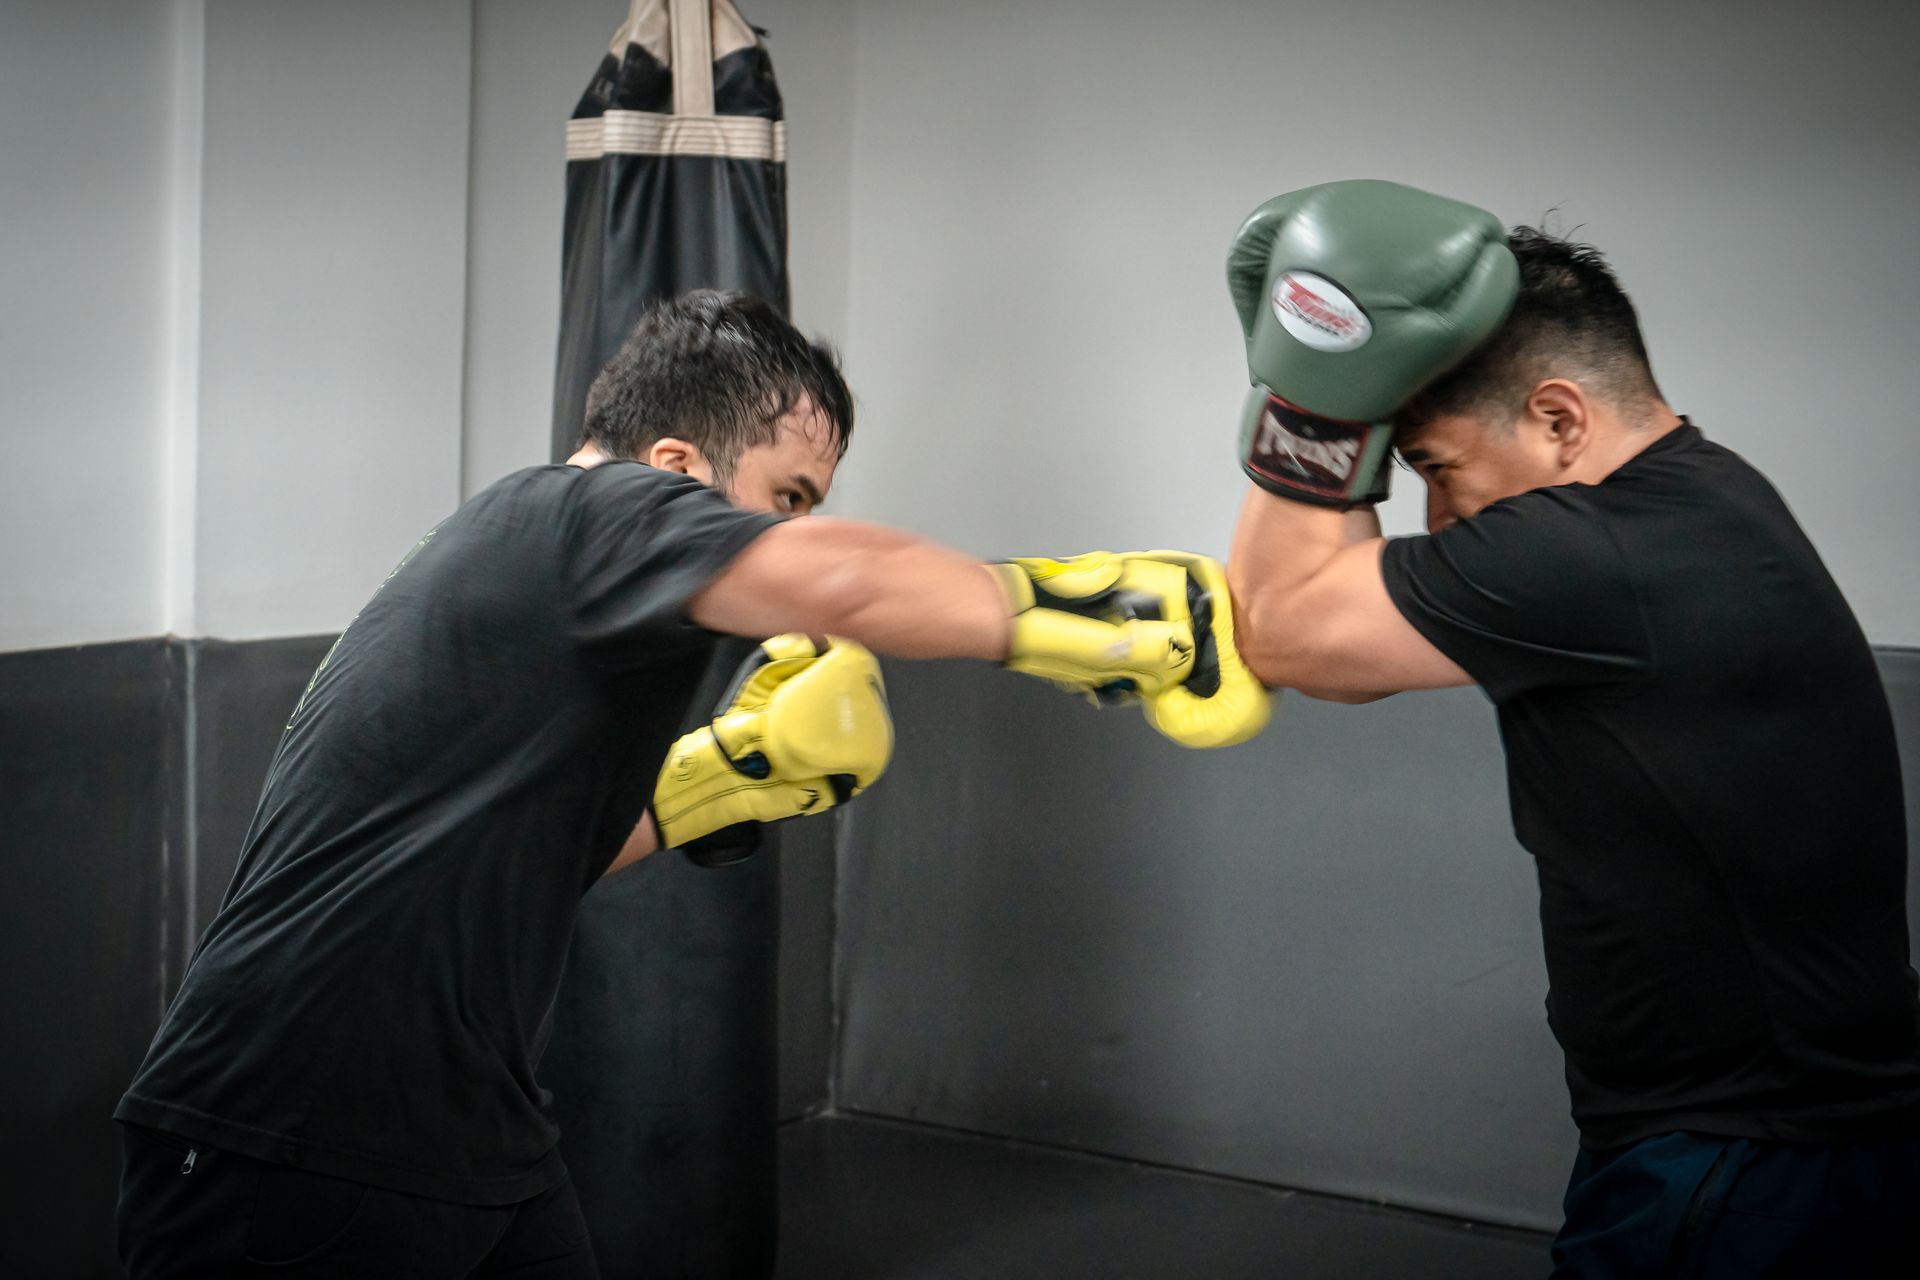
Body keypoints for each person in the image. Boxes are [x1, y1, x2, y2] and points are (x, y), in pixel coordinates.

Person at [112, 290, 1264, 1277]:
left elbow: (551, 853)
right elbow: (853, 582)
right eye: (789, 495)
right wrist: (1082, 617)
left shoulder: (551, 583)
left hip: (464, 1131)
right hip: (283, 1128)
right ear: (672, 467)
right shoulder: (576, 511)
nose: (797, 528)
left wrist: (731, 776)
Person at [1221, 180, 1920, 1277]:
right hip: (1777, 1139)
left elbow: (1282, 630)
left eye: (1440, 471)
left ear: (1558, 417)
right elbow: (1344, 662)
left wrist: (1311, 390)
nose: (1438, 519)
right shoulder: (1699, 502)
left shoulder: (1600, 553)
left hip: (1743, 1160)